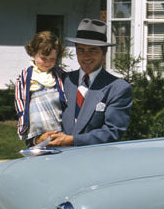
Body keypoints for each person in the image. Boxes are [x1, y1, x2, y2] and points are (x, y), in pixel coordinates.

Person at [37, 18, 132, 147]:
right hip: (58, 159)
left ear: (104, 52)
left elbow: (113, 132)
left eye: (93, 50)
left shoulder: (117, 88)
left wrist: (72, 140)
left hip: (94, 161)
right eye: (81, 50)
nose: (86, 56)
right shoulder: (62, 81)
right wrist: (40, 137)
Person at [15, 30, 67, 147]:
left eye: (52, 59)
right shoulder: (26, 75)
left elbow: (66, 99)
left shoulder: (59, 75)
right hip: (36, 129)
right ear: (33, 53)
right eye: (43, 58)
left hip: (57, 126)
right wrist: (22, 117)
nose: (47, 63)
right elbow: (19, 99)